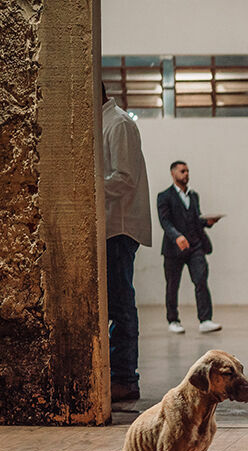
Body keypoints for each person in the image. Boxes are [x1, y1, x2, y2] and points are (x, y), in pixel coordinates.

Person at [102, 86, 152, 403]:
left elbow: (123, 178)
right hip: (108, 225)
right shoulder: (104, 123)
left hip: (119, 225)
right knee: (113, 304)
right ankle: (116, 375)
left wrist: (84, 187)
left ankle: (125, 379)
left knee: (120, 305)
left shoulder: (118, 123)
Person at [157, 161, 220, 335]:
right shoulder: (164, 196)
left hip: (195, 247)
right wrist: (177, 236)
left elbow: (195, 219)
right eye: (182, 171)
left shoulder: (194, 196)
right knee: (172, 285)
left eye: (187, 171)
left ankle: (205, 320)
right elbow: (165, 221)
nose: (186, 174)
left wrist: (207, 221)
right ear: (173, 173)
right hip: (173, 249)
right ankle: (173, 320)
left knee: (201, 280)